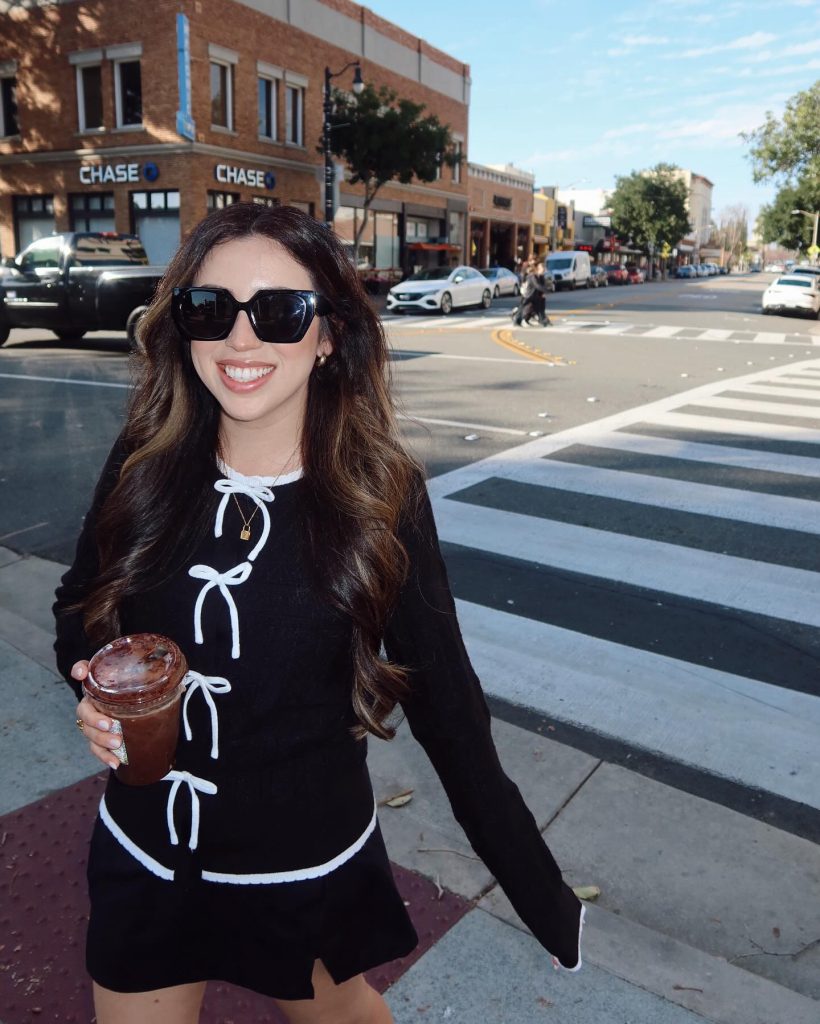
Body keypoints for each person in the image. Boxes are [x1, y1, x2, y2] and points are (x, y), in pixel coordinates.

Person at [54, 203, 584, 1024]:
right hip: (147, 852)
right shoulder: (144, 459)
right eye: (209, 309)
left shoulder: (380, 495)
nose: (240, 341)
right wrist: (90, 683)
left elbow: (449, 707)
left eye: (278, 312)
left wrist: (539, 891)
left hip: (303, 862)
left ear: (329, 334)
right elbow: (77, 608)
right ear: (180, 325)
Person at [513, 261, 550, 327]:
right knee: (521, 309)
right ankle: (517, 321)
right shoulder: (532, 276)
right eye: (542, 269)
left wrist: (544, 291)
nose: (543, 271)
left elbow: (541, 284)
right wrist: (546, 290)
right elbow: (537, 285)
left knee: (537, 309)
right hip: (528, 295)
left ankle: (543, 321)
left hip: (534, 296)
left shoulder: (538, 276)